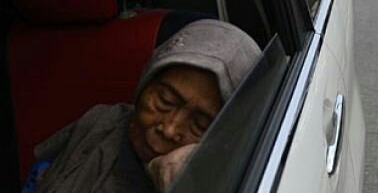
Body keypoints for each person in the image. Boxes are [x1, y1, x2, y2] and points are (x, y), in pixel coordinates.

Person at [22, 19, 261, 193]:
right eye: (165, 101)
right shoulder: (101, 122)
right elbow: (40, 176)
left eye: (200, 124)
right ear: (145, 83)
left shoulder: (222, 181)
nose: (169, 129)